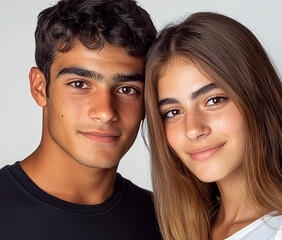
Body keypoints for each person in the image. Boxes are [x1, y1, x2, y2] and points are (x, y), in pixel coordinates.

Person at [0, 0, 161, 239]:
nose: (106, 112)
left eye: (127, 89)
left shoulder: (164, 220)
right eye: (80, 84)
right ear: (39, 87)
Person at [145, 12, 282, 240]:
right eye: (174, 112)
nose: (193, 129)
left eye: (214, 100)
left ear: (257, 99)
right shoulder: (183, 230)